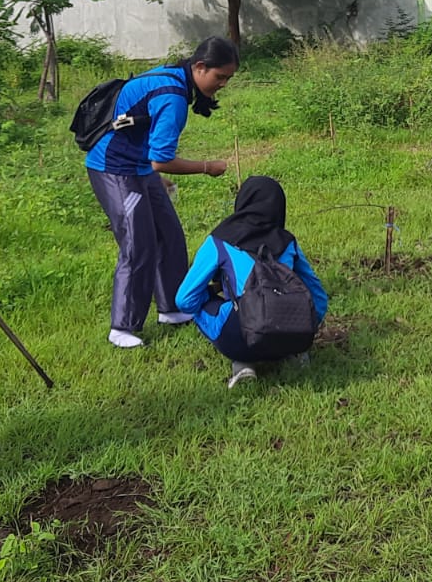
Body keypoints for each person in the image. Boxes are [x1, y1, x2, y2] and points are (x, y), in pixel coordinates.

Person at [87, 36, 236, 348]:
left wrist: (154, 177)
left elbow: (149, 149)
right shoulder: (174, 96)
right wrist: (207, 167)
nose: (223, 84)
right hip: (114, 168)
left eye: (228, 79)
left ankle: (171, 308)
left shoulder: (176, 76)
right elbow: (162, 160)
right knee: (138, 244)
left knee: (170, 235)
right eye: (219, 76)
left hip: (139, 166)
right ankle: (122, 327)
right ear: (199, 67)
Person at [175, 176, 330, 388]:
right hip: (293, 336)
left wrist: (210, 294)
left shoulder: (220, 241)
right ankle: (293, 354)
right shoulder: (288, 242)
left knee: (202, 304)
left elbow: (184, 299)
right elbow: (319, 298)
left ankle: (243, 364)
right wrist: (304, 329)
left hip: (240, 337)